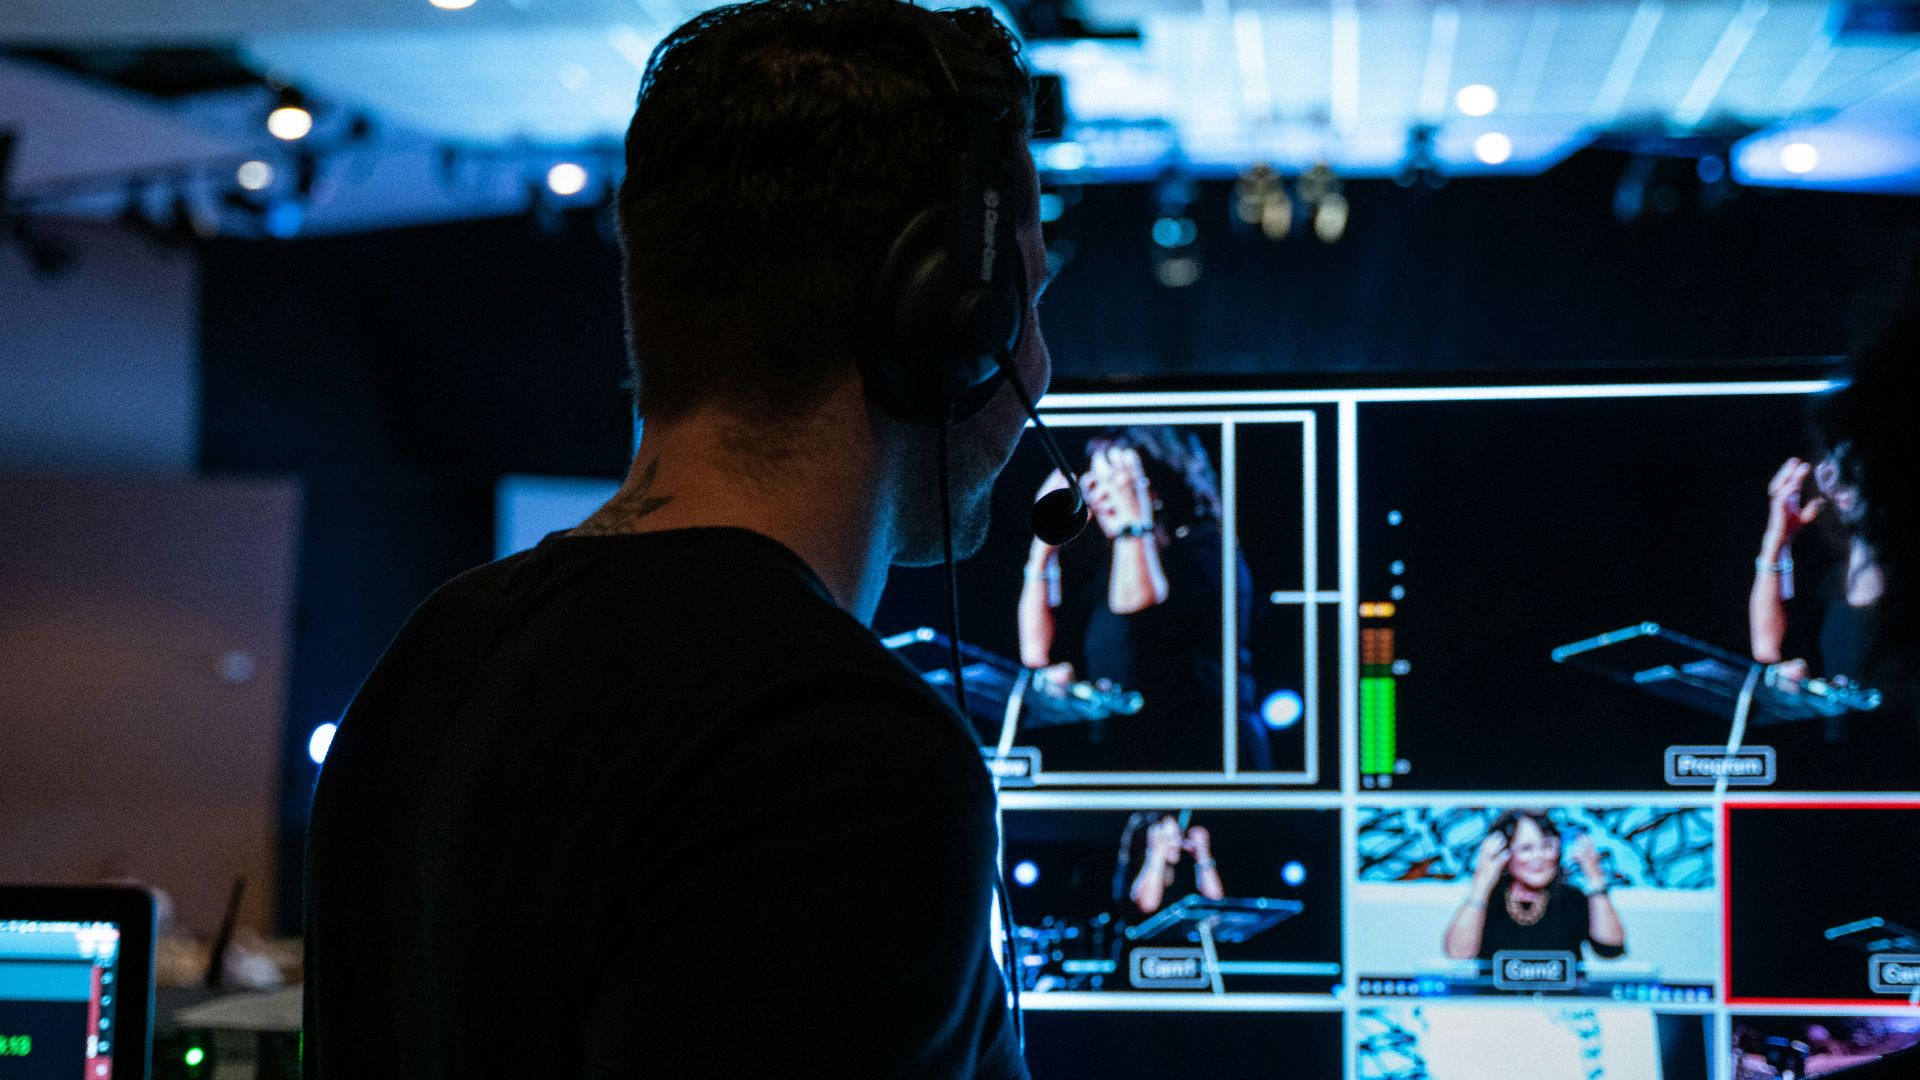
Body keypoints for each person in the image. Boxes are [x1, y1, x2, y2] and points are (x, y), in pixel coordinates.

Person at [303, 3, 1051, 1076]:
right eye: (1029, 294)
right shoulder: (843, 753)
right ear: (949, 316)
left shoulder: (430, 662)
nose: (1038, 363)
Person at [1016, 427, 1269, 772]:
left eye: (1115, 479)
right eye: (1096, 481)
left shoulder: (1206, 550)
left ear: (1153, 484)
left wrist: (1132, 521)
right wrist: (1045, 544)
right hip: (1128, 756)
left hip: (1202, 759)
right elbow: (1036, 653)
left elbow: (1137, 609)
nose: (1100, 494)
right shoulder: (1109, 567)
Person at [1441, 810, 1626, 964]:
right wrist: (1481, 883)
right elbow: (1458, 954)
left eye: (1547, 846)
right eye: (1526, 849)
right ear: (1505, 854)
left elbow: (1610, 947)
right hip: (1499, 1007)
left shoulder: (1571, 898)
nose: (1538, 858)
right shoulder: (1490, 902)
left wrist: (1595, 879)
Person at [1112, 811, 1224, 918]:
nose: (1175, 843)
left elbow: (1215, 901)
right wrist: (1157, 854)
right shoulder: (1132, 871)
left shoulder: (1183, 866)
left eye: (1177, 836)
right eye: (1167, 838)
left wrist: (1203, 855)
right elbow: (1148, 905)